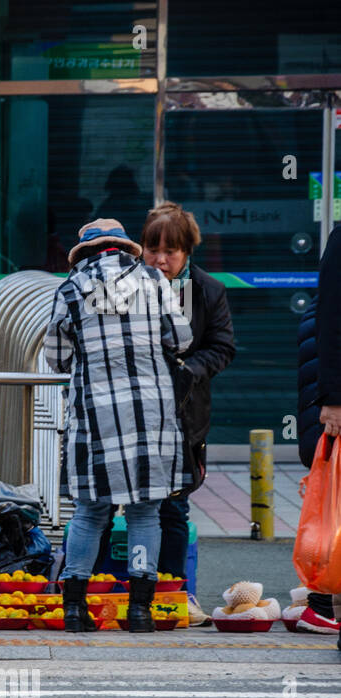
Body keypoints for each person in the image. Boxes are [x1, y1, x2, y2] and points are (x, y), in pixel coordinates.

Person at [45, 219, 192, 633]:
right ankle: (140, 611)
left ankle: (74, 609)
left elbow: (57, 357)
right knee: (147, 512)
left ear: (87, 252)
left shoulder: (71, 288)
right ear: (123, 248)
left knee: (90, 513)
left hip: (95, 415)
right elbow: (180, 339)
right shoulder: (153, 280)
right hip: (151, 414)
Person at [138, 202, 236, 626]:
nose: (160, 260)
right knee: (109, 507)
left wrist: (187, 370)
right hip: (130, 416)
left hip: (183, 416)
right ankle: (117, 590)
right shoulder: (124, 285)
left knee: (173, 508)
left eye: (170, 252)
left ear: (187, 251)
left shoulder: (209, 291)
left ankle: (176, 592)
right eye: (152, 249)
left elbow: (223, 347)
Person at [296, 223, 341, 639]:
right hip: (334, 405)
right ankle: (321, 601)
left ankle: (323, 601)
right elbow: (330, 323)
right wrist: (332, 402)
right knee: (331, 513)